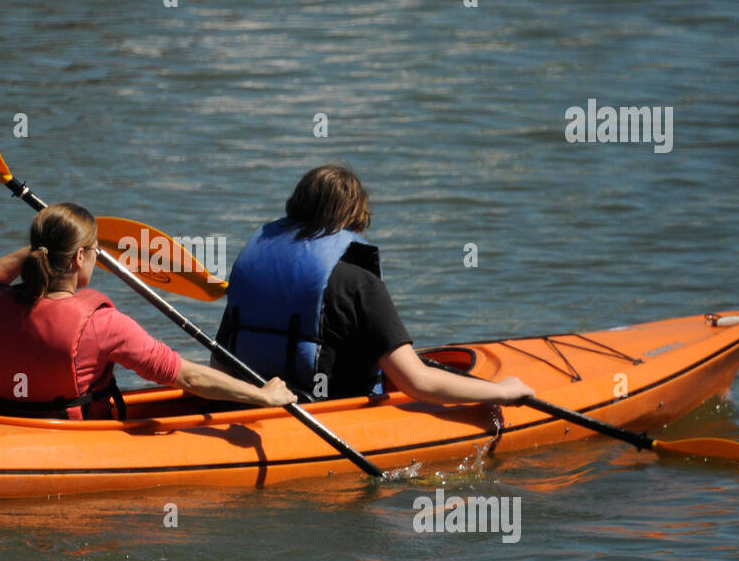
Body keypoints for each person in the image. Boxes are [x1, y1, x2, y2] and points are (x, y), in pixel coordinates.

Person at [216, 164, 534, 406]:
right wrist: (501, 392)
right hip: (327, 415)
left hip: (251, 406)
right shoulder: (357, 283)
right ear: (356, 220)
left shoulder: (251, 270)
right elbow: (417, 382)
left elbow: (220, 364)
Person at [0, 202, 296, 419]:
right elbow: (185, 375)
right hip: (70, 439)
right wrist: (261, 395)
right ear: (80, 257)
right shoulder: (100, 325)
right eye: (94, 252)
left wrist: (42, 247)